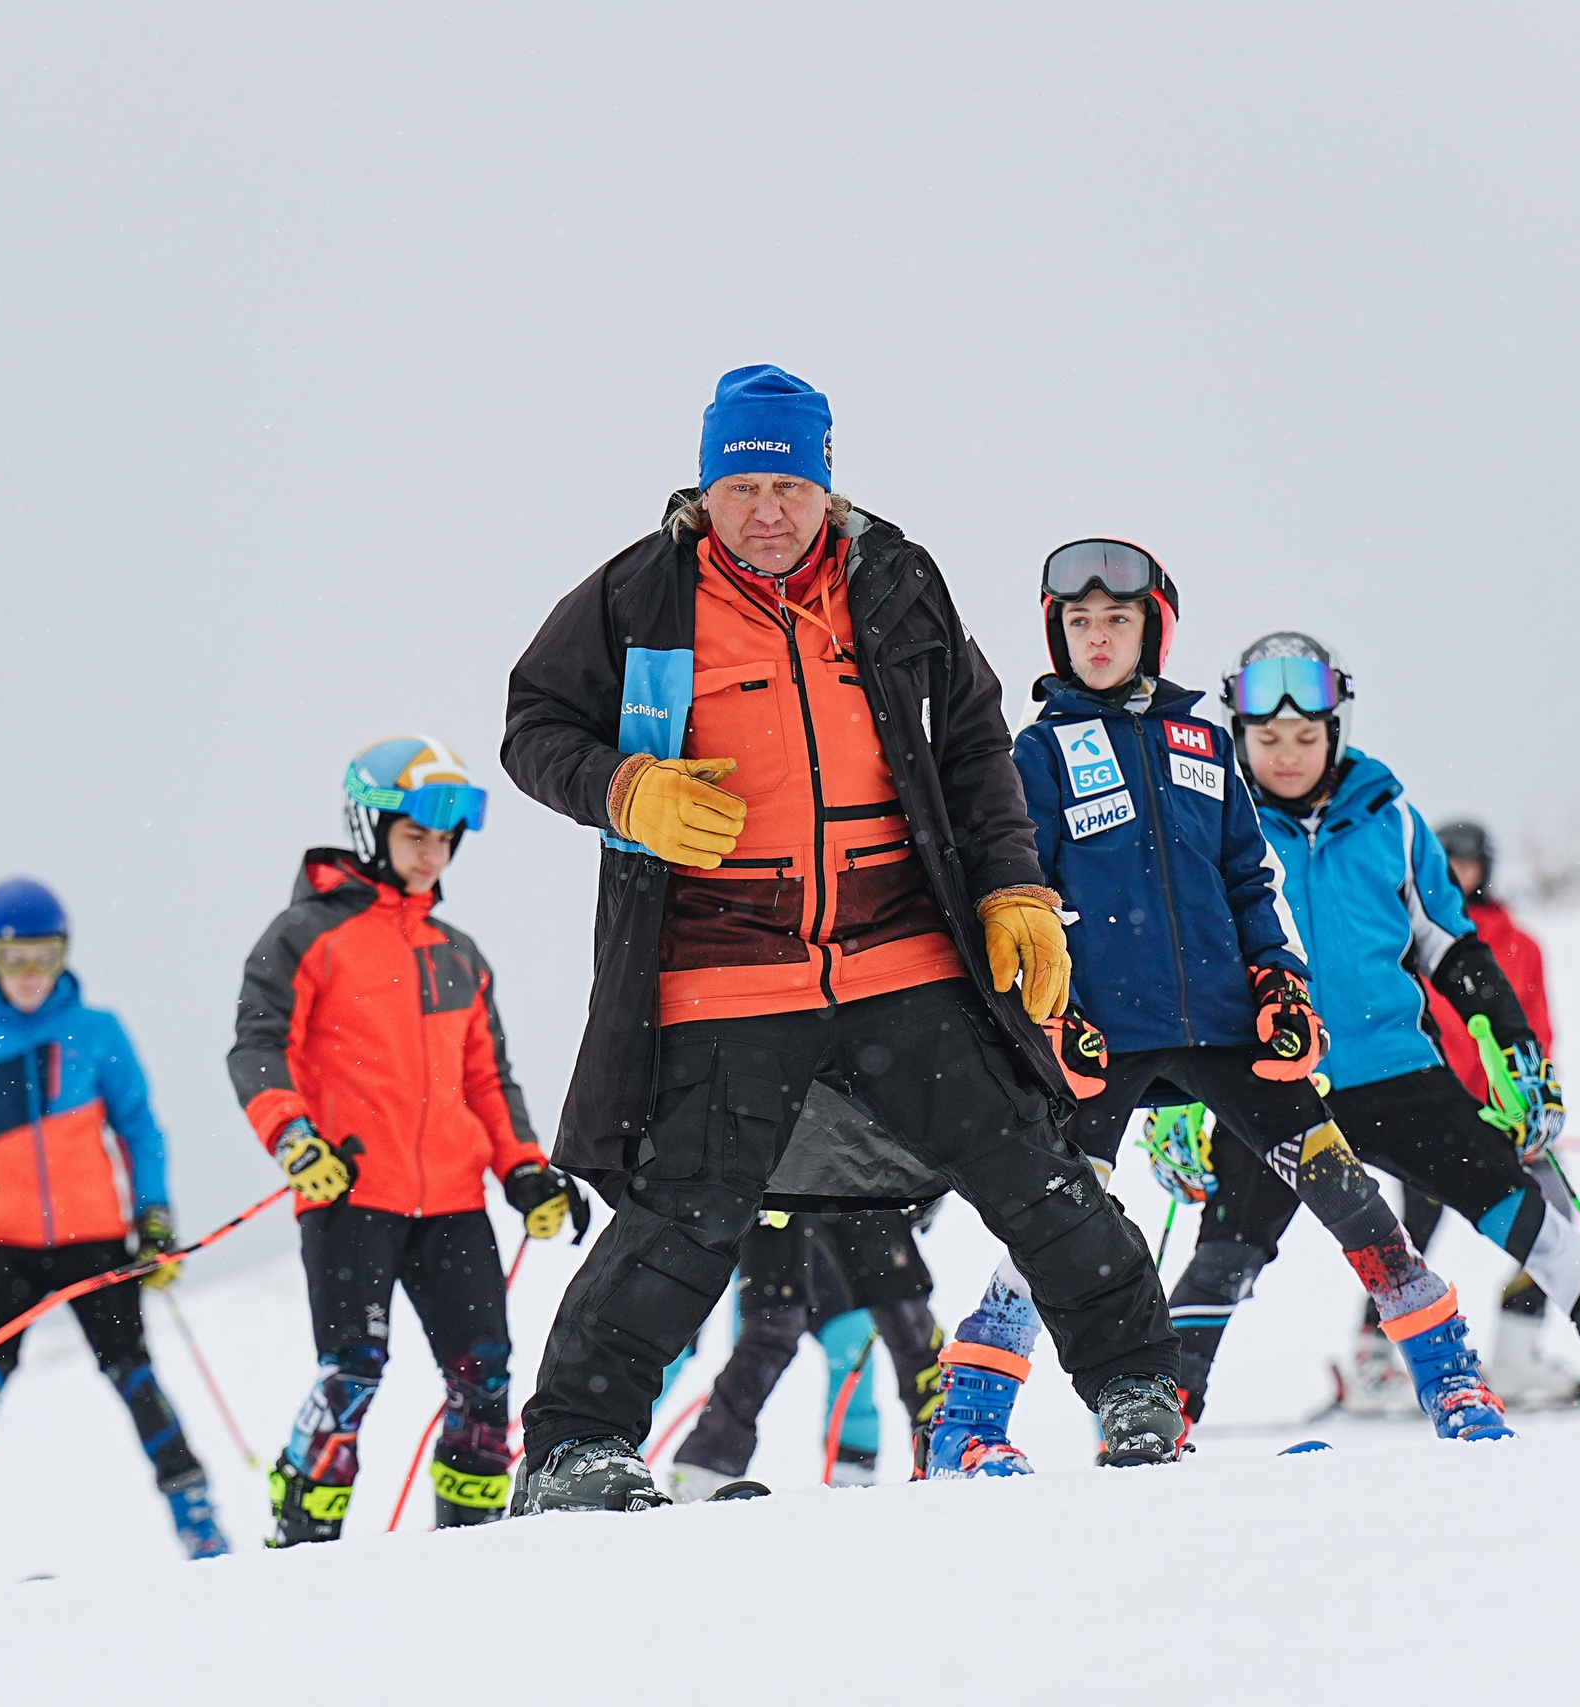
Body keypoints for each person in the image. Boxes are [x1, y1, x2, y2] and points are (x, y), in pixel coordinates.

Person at [500, 367, 1183, 1515]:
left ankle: (1136, 1388)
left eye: (789, 484)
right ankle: (575, 1447)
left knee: (1030, 1168)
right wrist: (624, 789)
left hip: (899, 952)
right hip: (725, 964)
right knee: (682, 1213)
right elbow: (534, 727)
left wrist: (1013, 887)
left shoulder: (896, 582)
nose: (767, 510)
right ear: (708, 488)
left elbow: (971, 744)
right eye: (744, 484)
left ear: (826, 486)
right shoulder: (639, 595)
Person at [928, 546, 1512, 1475]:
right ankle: (966, 1421)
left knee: (1351, 1198)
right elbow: (1021, 891)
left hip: (1231, 1031)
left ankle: (1452, 1386)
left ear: (1151, 629)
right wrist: (1053, 1012)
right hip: (1101, 1038)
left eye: (1117, 621)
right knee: (1058, 1224)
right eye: (1079, 623)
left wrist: (1280, 976)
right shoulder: (1036, 754)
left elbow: (1250, 877)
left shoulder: (1201, 742)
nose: (1098, 639)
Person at [1167, 633, 1580, 1428]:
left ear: (1335, 730)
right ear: (1239, 736)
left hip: (1397, 1074)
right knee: (1225, 1255)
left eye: (1306, 737)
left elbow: (1453, 950)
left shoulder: (1392, 821)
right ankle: (1163, 1408)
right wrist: (1175, 1097)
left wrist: (1516, 1050)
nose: (1287, 755)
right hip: (1275, 1086)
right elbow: (1185, 969)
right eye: (1268, 738)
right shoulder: (1215, 824)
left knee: (1521, 1212)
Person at [229, 736, 584, 1545]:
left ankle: (467, 1546)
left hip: (454, 1203)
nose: (432, 855)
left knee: (484, 1382)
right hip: (350, 1192)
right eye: (415, 835)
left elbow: (490, 1080)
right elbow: (256, 1048)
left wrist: (525, 1171)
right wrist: (292, 1138)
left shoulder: (457, 953)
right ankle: (303, 1543)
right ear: (370, 827)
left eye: (443, 840)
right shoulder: (302, 936)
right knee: (353, 1375)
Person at [0, 879, 223, 1590]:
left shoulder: (98, 1031)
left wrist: (154, 1215)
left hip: (96, 1240)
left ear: (65, 954)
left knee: (135, 1376)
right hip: (1, 1246)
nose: (30, 973)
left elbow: (139, 1126)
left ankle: (198, 1519)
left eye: (45, 956)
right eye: (15, 956)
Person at [1337, 819, 1580, 1408]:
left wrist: (1530, 1101)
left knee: (1553, 1215)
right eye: (1446, 860)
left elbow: (1535, 1028)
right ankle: (1373, 1353)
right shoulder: (1404, 938)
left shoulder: (1520, 944)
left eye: (1468, 862)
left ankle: (1516, 1349)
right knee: (1410, 1231)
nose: (1457, 872)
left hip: (1502, 1115)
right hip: (1431, 1111)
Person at [664, 1195, 946, 1499]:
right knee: (767, 1330)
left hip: (850, 1177)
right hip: (779, 1185)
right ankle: (690, 1464)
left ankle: (935, 1443)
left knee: (879, 1321)